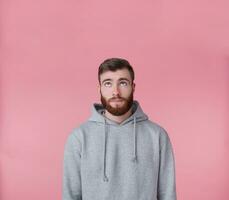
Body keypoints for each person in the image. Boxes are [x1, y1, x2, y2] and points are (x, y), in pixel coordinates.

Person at [62, 58, 177, 200]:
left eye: (123, 83)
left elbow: (167, 195)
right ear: (100, 89)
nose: (116, 91)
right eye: (108, 83)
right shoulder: (79, 137)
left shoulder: (157, 136)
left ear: (133, 87)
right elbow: (71, 195)